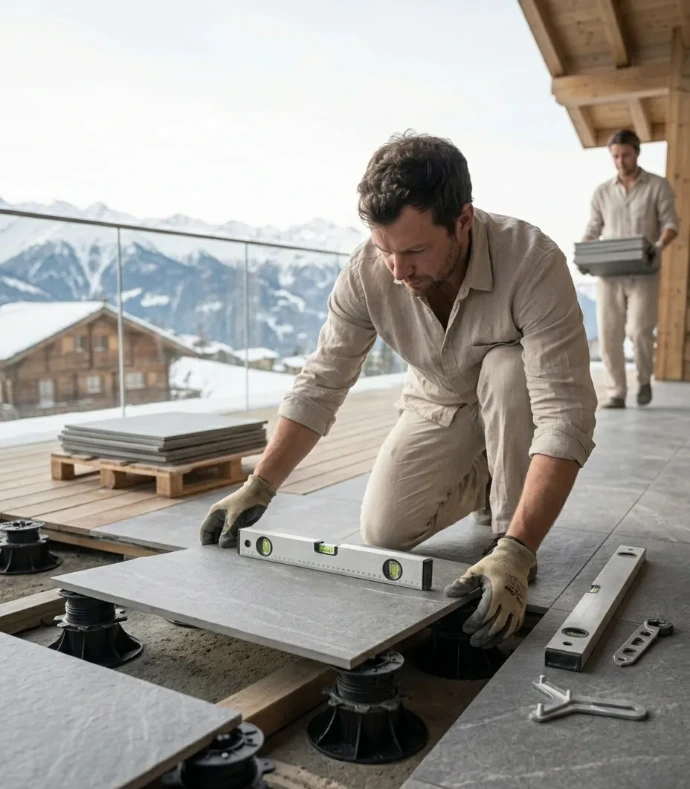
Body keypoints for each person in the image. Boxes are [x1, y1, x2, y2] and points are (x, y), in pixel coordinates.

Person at [200, 132, 597, 649]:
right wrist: (261, 484)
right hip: (438, 402)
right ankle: (489, 475)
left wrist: (518, 549)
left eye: (415, 250)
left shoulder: (532, 261)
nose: (398, 270)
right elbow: (321, 382)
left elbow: (564, 416)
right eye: (385, 249)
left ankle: (509, 529)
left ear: (463, 220)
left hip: (513, 395)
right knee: (384, 532)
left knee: (506, 368)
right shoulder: (368, 273)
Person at [583, 128, 679, 409]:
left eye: (625, 155)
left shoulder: (657, 186)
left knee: (639, 330)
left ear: (636, 153)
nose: (620, 161)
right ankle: (617, 393)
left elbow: (671, 224)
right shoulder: (602, 192)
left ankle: (645, 380)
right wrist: (585, 252)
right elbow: (593, 228)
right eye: (615, 156)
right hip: (609, 275)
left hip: (644, 272)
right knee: (609, 333)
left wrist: (657, 247)